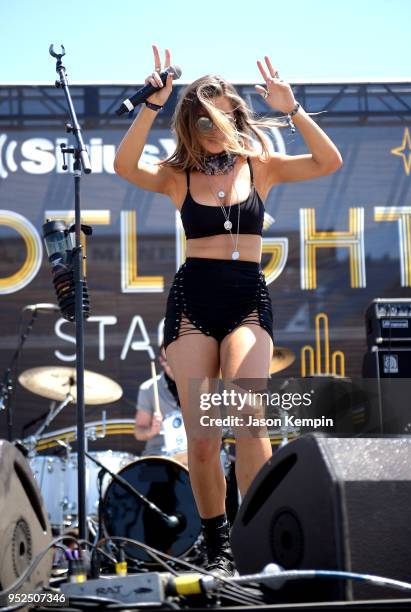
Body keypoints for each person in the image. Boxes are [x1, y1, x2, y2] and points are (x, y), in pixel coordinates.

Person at [114, 45, 343, 575]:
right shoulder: (177, 175)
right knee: (201, 439)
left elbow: (329, 162)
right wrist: (152, 104)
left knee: (250, 419)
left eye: (218, 115)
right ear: (190, 125)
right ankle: (216, 545)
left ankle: (256, 534)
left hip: (246, 296)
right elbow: (125, 165)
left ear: (234, 116)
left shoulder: (259, 166)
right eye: (198, 117)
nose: (210, 127)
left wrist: (293, 109)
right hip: (194, 297)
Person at [134, 343, 182, 457]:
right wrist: (151, 430)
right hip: (161, 454)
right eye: (169, 361)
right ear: (161, 360)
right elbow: (139, 432)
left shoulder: (201, 386)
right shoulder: (148, 389)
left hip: (195, 453)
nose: (174, 366)